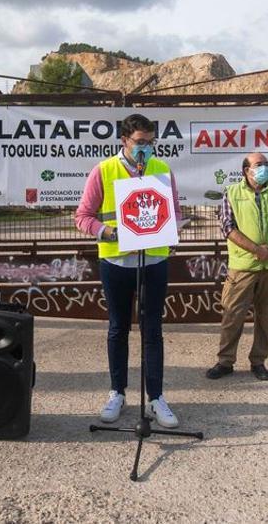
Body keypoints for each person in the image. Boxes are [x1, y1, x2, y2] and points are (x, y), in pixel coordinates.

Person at [74, 113, 182, 428]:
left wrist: (172, 231)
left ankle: (156, 398)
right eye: (140, 142)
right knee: (118, 328)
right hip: (116, 263)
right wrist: (108, 232)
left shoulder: (162, 169)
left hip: (153, 263)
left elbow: (174, 212)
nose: (145, 148)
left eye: (150, 142)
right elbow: (83, 216)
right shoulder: (103, 170)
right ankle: (117, 393)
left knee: (153, 331)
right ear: (124, 140)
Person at [205, 152, 268, 381]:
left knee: (265, 317)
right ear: (247, 170)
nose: (264, 168)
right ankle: (225, 362)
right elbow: (228, 228)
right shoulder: (232, 193)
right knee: (233, 315)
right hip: (243, 266)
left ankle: (259, 361)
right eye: (259, 165)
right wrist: (257, 250)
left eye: (266, 164)